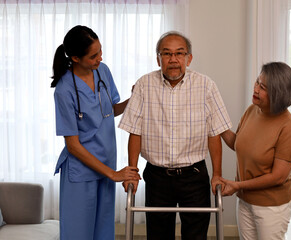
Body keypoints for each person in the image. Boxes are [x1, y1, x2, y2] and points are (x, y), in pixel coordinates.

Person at [118, 31, 232, 240]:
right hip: (157, 176)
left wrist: (217, 174)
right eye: (167, 54)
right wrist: (132, 171)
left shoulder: (206, 85)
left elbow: (214, 133)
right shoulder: (144, 84)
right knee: (159, 235)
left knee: (196, 235)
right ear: (158, 58)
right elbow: (135, 130)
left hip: (195, 175)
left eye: (179, 54)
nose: (173, 60)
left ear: (189, 58)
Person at [51, 25, 141, 240]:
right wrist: (113, 174)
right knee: (78, 234)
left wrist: (135, 98)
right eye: (93, 56)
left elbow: (110, 110)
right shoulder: (64, 90)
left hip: (106, 166)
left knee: (103, 232)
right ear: (75, 57)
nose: (100, 58)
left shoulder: (102, 71)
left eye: (100, 51)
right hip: (82, 173)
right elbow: (72, 145)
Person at [220, 62, 291, 240]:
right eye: (257, 82)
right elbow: (238, 145)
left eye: (262, 87)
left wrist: (238, 186)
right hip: (245, 200)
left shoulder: (288, 127)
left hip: (271, 206)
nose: (256, 89)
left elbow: (278, 176)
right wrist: (218, 126)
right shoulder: (252, 111)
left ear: (277, 94)